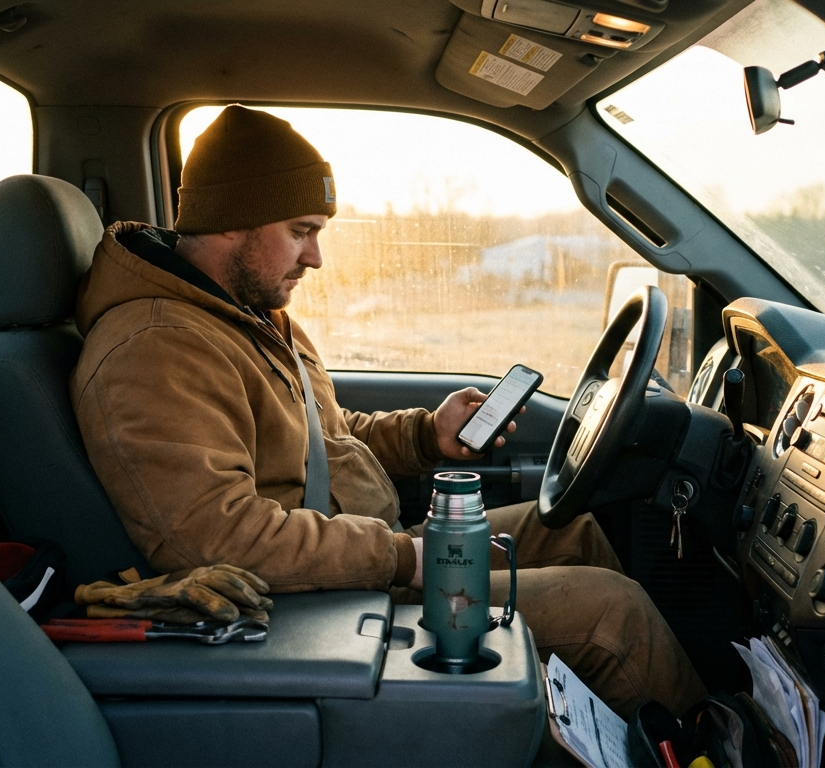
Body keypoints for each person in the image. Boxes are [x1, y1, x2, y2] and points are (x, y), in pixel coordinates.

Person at [69, 105, 705, 718]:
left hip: (365, 559)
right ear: (231, 220)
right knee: (612, 613)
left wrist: (428, 436)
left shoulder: (247, 316)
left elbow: (324, 436)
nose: (315, 258)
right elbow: (215, 537)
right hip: (323, 607)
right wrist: (403, 558)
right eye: (300, 231)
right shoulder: (154, 348)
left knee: (574, 531)